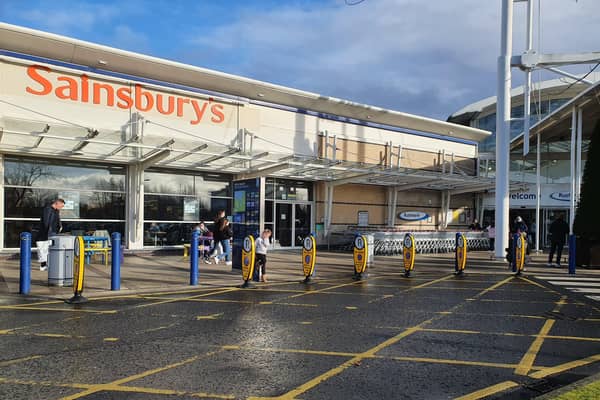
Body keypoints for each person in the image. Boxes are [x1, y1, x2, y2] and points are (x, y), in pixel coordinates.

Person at [36, 198, 65, 271]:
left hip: (53, 232)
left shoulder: (56, 211)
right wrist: (48, 232)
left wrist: (60, 226)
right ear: (57, 203)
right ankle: (43, 265)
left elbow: (57, 220)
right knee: (43, 249)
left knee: (50, 249)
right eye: (61, 206)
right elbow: (46, 222)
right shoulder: (48, 209)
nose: (61, 208)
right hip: (46, 233)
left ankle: (48, 264)